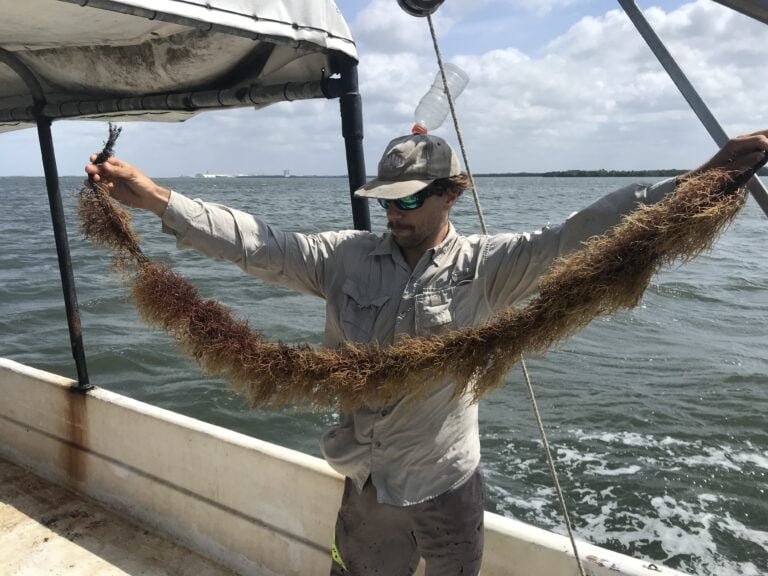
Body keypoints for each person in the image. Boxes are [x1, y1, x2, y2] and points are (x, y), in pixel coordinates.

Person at [86, 129, 768, 575]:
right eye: (386, 200)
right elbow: (258, 242)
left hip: (446, 486)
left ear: (449, 195)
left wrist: (694, 186)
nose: (396, 212)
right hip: (368, 489)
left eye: (411, 198)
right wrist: (154, 199)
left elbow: (579, 232)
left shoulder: (489, 267)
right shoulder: (344, 259)